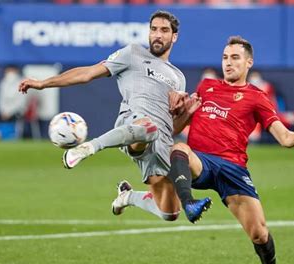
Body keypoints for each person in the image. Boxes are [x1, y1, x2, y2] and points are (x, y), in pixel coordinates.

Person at [119, 36, 294, 264]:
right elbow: (174, 130)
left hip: (233, 169)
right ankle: (189, 203)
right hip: (201, 162)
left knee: (260, 234)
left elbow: (285, 138)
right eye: (225, 58)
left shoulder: (257, 98)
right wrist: (184, 113)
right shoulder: (206, 87)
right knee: (178, 148)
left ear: (248, 62)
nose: (228, 63)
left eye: (235, 58)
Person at [18, 10, 211, 223]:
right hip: (134, 124)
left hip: (160, 142)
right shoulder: (133, 53)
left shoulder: (178, 78)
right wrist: (44, 83)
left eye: (164, 30)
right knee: (148, 127)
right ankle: (88, 148)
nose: (157, 34)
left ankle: (127, 196)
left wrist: (188, 116)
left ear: (174, 37)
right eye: (153, 29)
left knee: (170, 212)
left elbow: (171, 127)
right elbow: (87, 73)